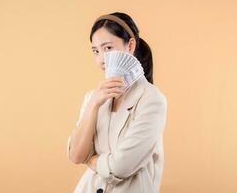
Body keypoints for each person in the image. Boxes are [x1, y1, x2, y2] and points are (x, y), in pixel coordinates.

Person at [67, 12, 167, 193]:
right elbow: (75, 155)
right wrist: (94, 104)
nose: (101, 59)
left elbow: (120, 167)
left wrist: (91, 160)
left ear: (130, 45)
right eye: (96, 51)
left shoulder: (152, 100)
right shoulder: (93, 97)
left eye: (108, 48)